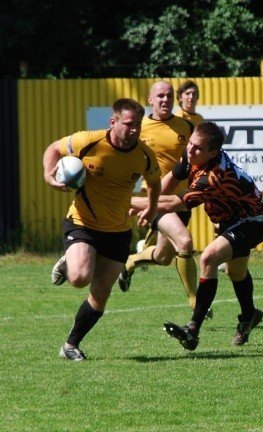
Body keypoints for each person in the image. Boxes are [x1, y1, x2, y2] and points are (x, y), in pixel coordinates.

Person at [130, 121, 263, 350]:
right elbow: (168, 183)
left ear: (213, 153)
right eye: (190, 144)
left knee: (208, 258)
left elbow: (174, 203)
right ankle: (249, 316)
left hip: (253, 222)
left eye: (197, 149)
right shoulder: (193, 155)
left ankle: (192, 329)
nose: (190, 150)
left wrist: (128, 201)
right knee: (237, 272)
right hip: (230, 221)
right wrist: (149, 201)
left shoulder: (215, 175)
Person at [45, 98, 161, 361]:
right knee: (79, 278)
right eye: (129, 124)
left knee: (101, 294)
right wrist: (48, 176)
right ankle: (69, 260)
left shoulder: (143, 154)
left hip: (119, 231)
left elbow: (155, 183)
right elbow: (53, 149)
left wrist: (151, 209)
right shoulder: (88, 141)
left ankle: (70, 345)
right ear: (113, 122)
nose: (134, 130)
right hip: (83, 223)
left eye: (138, 125)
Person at [118, 81, 206, 317]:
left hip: (182, 200)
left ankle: (130, 262)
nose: (165, 100)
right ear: (150, 100)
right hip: (156, 198)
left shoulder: (186, 126)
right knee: (185, 243)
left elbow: (200, 157)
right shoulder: (140, 127)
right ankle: (195, 301)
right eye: (160, 96)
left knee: (164, 256)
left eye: (168, 96)